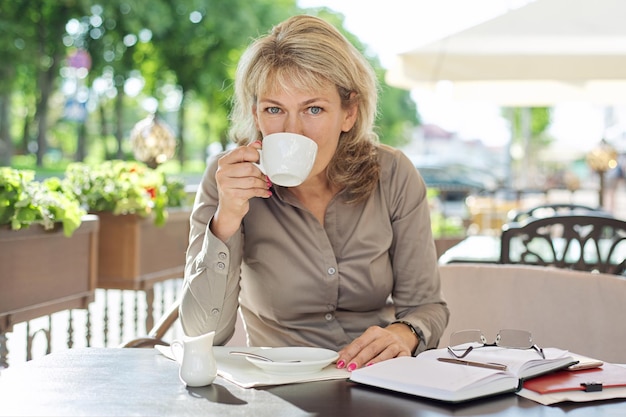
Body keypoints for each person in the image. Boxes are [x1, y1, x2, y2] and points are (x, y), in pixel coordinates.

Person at [179, 14, 449, 371]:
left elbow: (426, 307)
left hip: (375, 383)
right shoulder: (228, 179)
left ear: (349, 112)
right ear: (257, 114)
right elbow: (203, 334)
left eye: (314, 109)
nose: (293, 131)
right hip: (280, 393)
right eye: (274, 109)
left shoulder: (394, 175)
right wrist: (226, 219)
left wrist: (405, 332)